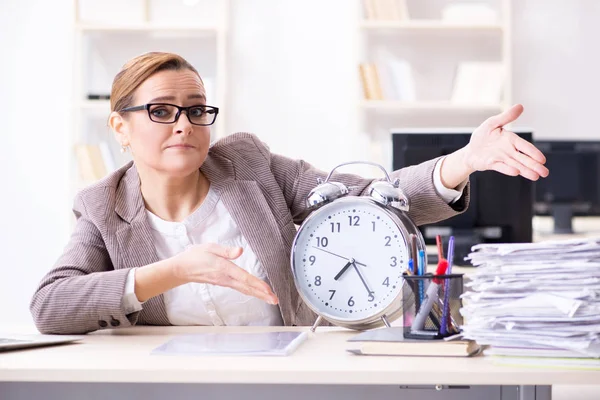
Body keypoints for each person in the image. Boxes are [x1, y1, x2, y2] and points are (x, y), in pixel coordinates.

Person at [30, 52, 549, 334]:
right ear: (120, 127)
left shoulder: (249, 165)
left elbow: (372, 200)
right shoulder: (103, 205)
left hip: (286, 374)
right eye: (161, 111)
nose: (184, 124)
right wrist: (174, 271)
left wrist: (463, 162)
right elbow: (50, 306)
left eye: (196, 109)